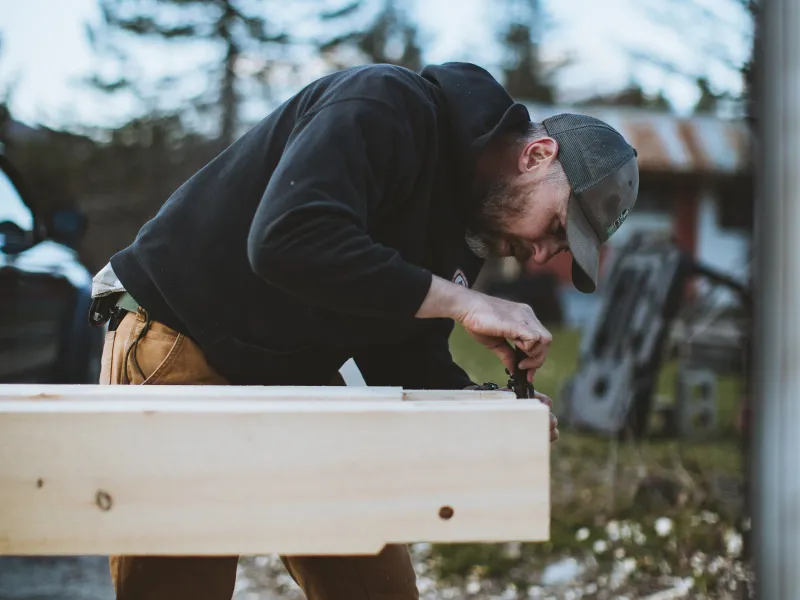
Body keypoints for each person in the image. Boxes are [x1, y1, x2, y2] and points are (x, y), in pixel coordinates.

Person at [89, 61, 638, 600]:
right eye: (556, 228)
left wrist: (486, 409)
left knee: (373, 583)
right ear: (537, 156)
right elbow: (286, 238)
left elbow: (399, 348)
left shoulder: (464, 225)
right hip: (181, 333)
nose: (542, 254)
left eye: (559, 250)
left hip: (292, 374)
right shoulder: (384, 104)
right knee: (181, 583)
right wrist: (462, 302)